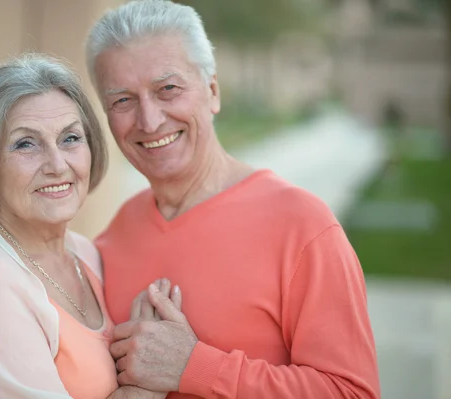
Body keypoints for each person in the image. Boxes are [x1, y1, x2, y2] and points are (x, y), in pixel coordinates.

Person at [87, 1, 381, 398]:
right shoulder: (117, 233)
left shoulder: (301, 225)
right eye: (123, 100)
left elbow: (352, 393)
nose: (149, 120)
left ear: (212, 92)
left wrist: (196, 368)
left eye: (167, 89)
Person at [0, 53, 175, 399]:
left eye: (70, 139)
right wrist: (145, 385)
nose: (57, 164)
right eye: (26, 144)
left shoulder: (85, 254)